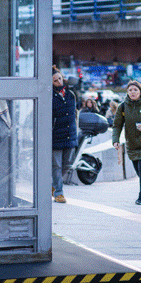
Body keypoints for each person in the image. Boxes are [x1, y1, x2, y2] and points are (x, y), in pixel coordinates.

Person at [52, 66, 78, 203]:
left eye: (60, 79)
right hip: (55, 135)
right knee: (56, 166)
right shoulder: (49, 95)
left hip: (70, 134)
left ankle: (53, 185)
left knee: (68, 164)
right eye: (55, 80)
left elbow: (75, 114)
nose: (59, 82)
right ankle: (59, 193)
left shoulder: (70, 94)